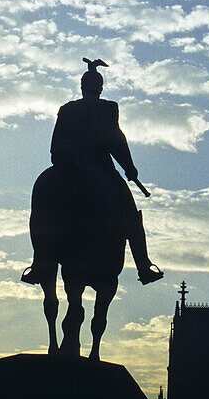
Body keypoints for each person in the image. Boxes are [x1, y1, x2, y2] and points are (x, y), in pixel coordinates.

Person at [22, 58, 163, 286]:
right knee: (130, 216)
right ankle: (144, 266)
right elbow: (116, 139)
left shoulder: (67, 109)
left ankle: (39, 264)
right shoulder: (109, 108)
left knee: (41, 208)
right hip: (101, 168)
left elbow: (55, 144)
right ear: (100, 88)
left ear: (81, 87)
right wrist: (129, 168)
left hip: (67, 166)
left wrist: (66, 158)